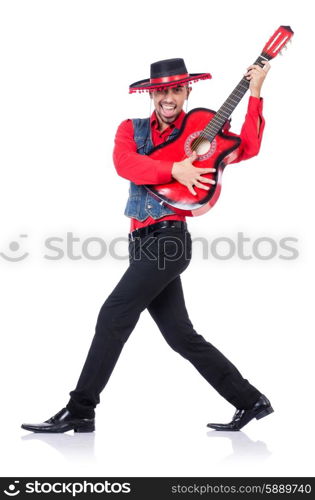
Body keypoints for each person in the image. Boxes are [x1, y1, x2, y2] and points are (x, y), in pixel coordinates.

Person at [21, 58, 274, 434]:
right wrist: (175, 170)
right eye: (161, 90)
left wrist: (255, 94)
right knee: (180, 336)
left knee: (113, 314)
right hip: (139, 243)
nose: (168, 97)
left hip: (170, 241)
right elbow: (125, 164)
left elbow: (247, 147)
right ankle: (250, 400)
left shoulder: (201, 132)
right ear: (151, 93)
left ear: (188, 92)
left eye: (176, 89)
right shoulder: (131, 129)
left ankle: (81, 409)